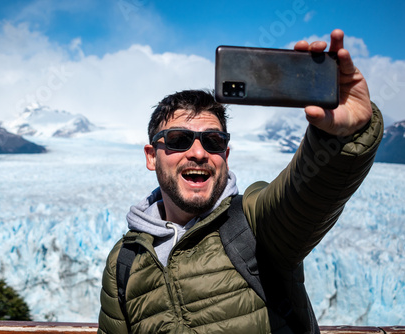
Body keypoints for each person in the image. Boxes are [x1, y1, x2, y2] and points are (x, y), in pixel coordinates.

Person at [97, 29, 383, 333]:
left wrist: (342, 136)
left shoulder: (253, 223)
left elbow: (307, 193)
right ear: (152, 156)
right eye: (179, 140)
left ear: (226, 155)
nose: (198, 153)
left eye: (213, 141)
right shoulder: (124, 263)